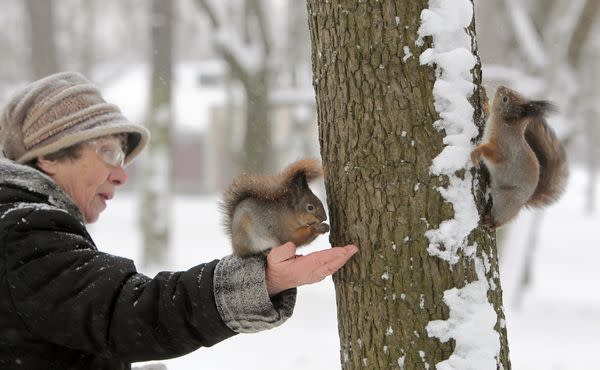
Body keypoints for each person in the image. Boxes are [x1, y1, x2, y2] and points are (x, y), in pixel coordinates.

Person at [0, 72, 358, 370]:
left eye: (122, 156)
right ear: (48, 156)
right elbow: (127, 311)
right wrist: (260, 279)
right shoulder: (22, 234)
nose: (121, 175)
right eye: (107, 152)